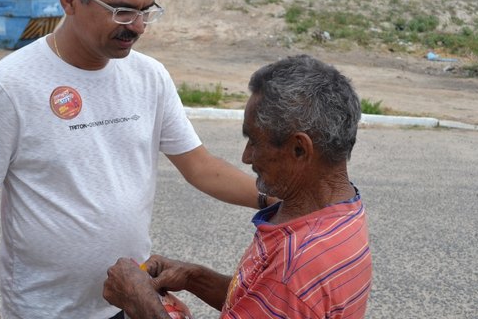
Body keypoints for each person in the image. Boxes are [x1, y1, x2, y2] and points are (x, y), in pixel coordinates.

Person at [0, 0, 264, 318]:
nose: (138, 27)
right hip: (46, 310)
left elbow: (200, 166)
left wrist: (281, 199)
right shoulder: (8, 86)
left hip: (133, 297)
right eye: (122, 11)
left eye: (146, 11)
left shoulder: (149, 76)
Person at [103, 54, 373, 318]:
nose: (246, 156)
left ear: (299, 149)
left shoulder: (294, 270)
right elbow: (260, 300)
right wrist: (195, 278)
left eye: (254, 141)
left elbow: (285, 290)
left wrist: (141, 303)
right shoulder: (341, 212)